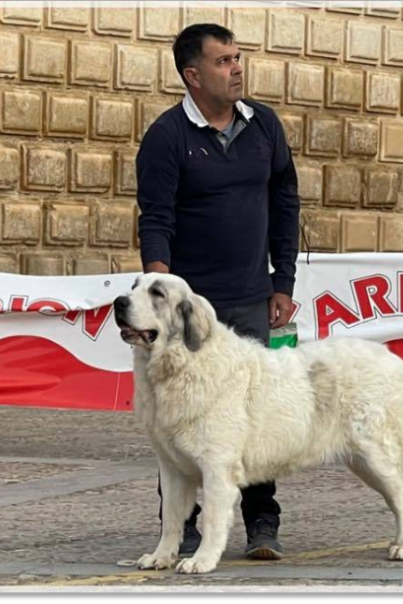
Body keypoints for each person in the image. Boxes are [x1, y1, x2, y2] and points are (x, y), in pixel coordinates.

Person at [135, 23, 300, 561]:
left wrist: (283, 282)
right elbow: (155, 219)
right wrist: (157, 296)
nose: (236, 68)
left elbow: (285, 204)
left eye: (238, 58)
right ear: (193, 74)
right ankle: (179, 532)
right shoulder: (166, 137)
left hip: (251, 297)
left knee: (252, 417)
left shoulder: (264, 126)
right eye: (224, 60)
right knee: (178, 421)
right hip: (189, 313)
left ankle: (261, 526)